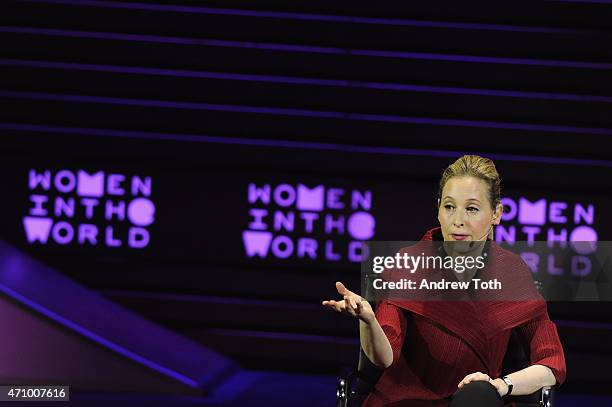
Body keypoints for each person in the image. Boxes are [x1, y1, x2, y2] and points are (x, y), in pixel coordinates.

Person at [322, 155, 566, 407]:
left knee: (478, 396)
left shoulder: (513, 272)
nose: (457, 220)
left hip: (476, 401)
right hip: (407, 400)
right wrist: (368, 319)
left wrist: (501, 385)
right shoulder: (408, 264)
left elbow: (551, 362)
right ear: (438, 208)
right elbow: (384, 358)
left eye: (472, 208)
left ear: (496, 213)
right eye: (449, 207)